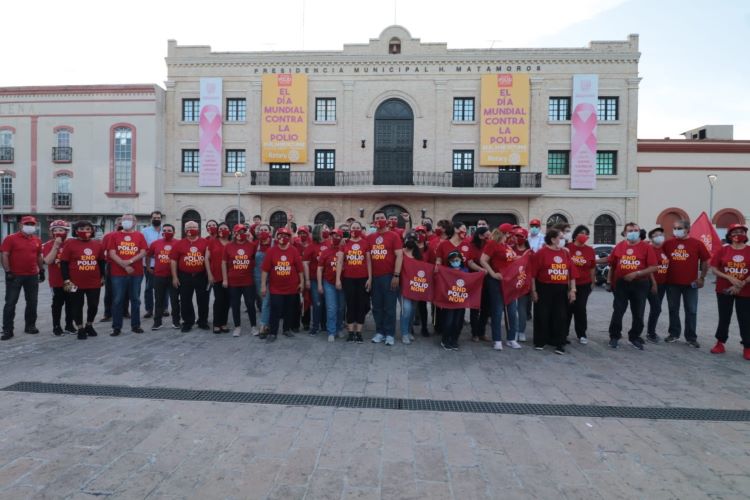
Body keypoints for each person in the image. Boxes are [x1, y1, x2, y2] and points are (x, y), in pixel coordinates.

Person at [606, 222, 658, 350]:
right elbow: (612, 263)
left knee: (638, 312)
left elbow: (654, 267)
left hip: (640, 284)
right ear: (624, 233)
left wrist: (637, 273)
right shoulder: (619, 246)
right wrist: (608, 280)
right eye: (630, 230)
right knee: (618, 311)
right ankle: (614, 336)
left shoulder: (646, 247)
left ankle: (634, 337)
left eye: (636, 230)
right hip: (621, 283)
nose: (633, 232)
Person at [663, 219, 711, 348]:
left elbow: (706, 261)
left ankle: (691, 337)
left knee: (691, 310)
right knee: (673, 309)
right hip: (672, 283)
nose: (676, 231)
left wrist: (702, 277)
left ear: (687, 229)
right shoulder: (668, 243)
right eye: (675, 228)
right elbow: (658, 256)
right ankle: (674, 334)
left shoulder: (697, 244)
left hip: (691, 284)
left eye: (679, 228)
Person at [530, 228, 577, 354]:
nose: (563, 240)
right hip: (544, 287)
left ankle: (559, 342)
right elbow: (533, 274)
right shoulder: (541, 253)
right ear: (552, 239)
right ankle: (540, 341)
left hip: (561, 289)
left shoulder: (565, 253)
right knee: (542, 315)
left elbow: (571, 273)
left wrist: (572, 290)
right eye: (560, 237)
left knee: (561, 316)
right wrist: (533, 291)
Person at [709, 223, 750, 360]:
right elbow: (714, 268)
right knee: (724, 317)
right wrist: (729, 278)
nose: (739, 234)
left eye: (742, 231)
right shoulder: (723, 250)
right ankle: (720, 343)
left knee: (745, 319)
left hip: (746, 291)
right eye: (736, 232)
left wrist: (742, 283)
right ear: (730, 236)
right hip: (724, 289)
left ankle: (747, 347)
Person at [60, 220, 105, 339]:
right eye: (81, 229)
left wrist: (103, 277)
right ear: (76, 231)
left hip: (94, 282)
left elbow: (101, 262)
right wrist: (66, 280)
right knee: (76, 305)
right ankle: (80, 328)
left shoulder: (97, 244)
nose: (85, 231)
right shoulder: (70, 244)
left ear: (92, 231)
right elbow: (64, 263)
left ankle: (89, 325)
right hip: (74, 282)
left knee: (94, 305)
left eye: (88, 229)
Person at [1, 215, 44, 340]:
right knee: (10, 303)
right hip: (14, 276)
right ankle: (7, 330)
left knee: (32, 302)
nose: (30, 226)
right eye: (27, 224)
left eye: (32, 224)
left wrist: (41, 270)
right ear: (20, 225)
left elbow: (38, 257)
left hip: (32, 276)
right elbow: (4, 255)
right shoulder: (10, 239)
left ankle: (30, 326)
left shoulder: (37, 240)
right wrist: (8, 271)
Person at [480, 223, 520, 350]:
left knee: (512, 311)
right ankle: (497, 339)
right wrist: (492, 273)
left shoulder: (507, 246)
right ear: (505, 233)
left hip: (509, 281)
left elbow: (511, 259)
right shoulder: (492, 244)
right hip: (496, 281)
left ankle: (511, 338)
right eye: (510, 233)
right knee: (497, 310)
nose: (512, 236)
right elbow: (483, 260)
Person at [106, 213, 148, 336]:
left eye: (129, 219)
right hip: (117, 273)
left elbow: (143, 252)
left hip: (136, 273)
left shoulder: (139, 235)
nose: (126, 221)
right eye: (124, 219)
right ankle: (116, 327)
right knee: (118, 300)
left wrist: (129, 261)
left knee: (135, 299)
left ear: (135, 222)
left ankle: (136, 325)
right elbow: (112, 253)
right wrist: (124, 265)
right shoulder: (114, 235)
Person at [260, 227, 304, 342]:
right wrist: (263, 286)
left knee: (289, 309)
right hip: (276, 288)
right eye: (280, 235)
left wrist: (302, 283)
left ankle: (286, 329)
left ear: (289, 238)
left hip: (292, 287)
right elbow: (265, 270)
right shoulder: (271, 251)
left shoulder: (294, 250)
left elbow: (300, 269)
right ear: (276, 237)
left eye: (286, 236)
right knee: (275, 309)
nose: (282, 238)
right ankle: (273, 332)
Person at [368, 210, 403, 346]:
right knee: (377, 307)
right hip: (375, 278)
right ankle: (380, 332)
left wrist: (396, 275)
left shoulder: (394, 236)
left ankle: (389, 334)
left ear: (386, 220)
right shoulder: (370, 238)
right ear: (374, 221)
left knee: (389, 307)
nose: (380, 220)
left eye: (382, 218)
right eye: (377, 218)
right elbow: (368, 258)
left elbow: (399, 256)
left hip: (389, 276)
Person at [170, 220, 210, 332]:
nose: (191, 229)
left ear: (198, 229)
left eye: (193, 227)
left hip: (201, 276)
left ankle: (202, 321)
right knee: (185, 300)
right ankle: (188, 322)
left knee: (203, 300)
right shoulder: (179, 243)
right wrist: (174, 277)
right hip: (184, 276)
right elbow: (173, 261)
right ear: (184, 229)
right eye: (188, 227)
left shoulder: (205, 243)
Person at [336, 221, 372, 343]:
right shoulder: (344, 243)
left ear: (361, 229)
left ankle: (359, 333)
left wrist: (370, 278)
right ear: (350, 229)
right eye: (353, 227)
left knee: (361, 305)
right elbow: (340, 262)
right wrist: (337, 279)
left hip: (362, 278)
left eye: (357, 227)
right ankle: (351, 333)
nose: (355, 229)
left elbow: (368, 262)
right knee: (350, 305)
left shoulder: (365, 243)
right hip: (348, 279)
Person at [223, 224, 258, 337]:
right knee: (235, 304)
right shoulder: (228, 246)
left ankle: (253, 326)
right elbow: (223, 263)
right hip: (233, 281)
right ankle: (237, 327)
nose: (239, 234)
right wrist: (225, 279)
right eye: (237, 232)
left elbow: (255, 261)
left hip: (248, 281)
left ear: (245, 233)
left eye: (242, 232)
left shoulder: (252, 246)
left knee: (250, 304)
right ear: (234, 233)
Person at [42, 219, 76, 335]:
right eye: (55, 230)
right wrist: (56, 246)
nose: (58, 232)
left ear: (66, 231)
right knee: (57, 304)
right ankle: (56, 326)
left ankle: (69, 325)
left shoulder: (72, 243)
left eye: (61, 230)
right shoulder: (48, 245)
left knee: (71, 303)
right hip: (56, 281)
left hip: (71, 280)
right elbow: (48, 261)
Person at [147, 223, 181, 330]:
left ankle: (176, 322)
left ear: (174, 232)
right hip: (159, 276)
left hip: (173, 277)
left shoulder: (178, 243)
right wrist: (148, 267)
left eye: (169, 231)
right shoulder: (155, 243)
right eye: (165, 230)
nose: (166, 232)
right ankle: (157, 322)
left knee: (175, 300)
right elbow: (148, 255)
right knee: (159, 300)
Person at [567, 225, 596, 344]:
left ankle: (581, 334)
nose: (584, 235)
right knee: (567, 308)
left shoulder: (590, 250)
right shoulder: (567, 248)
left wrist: (593, 281)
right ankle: (563, 333)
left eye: (586, 233)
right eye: (581, 233)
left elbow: (592, 267)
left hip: (584, 284)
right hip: (568, 284)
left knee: (580, 308)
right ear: (575, 235)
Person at [318, 229, 346, 342]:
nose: (335, 238)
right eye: (333, 235)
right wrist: (320, 284)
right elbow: (320, 269)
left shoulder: (345, 250)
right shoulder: (325, 252)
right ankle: (331, 331)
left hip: (343, 283)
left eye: (338, 236)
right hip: (328, 283)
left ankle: (339, 328)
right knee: (331, 308)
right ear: (330, 237)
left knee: (341, 308)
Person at [440, 250, 470, 351]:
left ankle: (454, 339)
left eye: (457, 260)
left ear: (461, 260)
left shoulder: (466, 271)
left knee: (458, 322)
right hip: (449, 301)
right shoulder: (446, 270)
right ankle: (445, 339)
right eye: (453, 260)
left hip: (461, 301)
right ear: (449, 261)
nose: (455, 262)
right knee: (448, 321)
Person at [467, 226, 491, 342]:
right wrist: (480, 269)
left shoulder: (489, 244)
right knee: (475, 307)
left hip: (488, 279)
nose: (489, 236)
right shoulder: (471, 246)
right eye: (487, 234)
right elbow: (470, 262)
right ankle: (474, 333)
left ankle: (482, 332)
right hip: (475, 278)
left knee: (486, 307)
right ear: (480, 235)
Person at [100, 217, 127, 322]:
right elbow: (103, 252)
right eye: (119, 223)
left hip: (126, 266)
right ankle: (108, 313)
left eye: (123, 223)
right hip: (111, 265)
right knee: (109, 291)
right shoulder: (108, 236)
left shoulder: (130, 236)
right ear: (116, 225)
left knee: (126, 290)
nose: (121, 225)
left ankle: (125, 311)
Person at [206, 222, 231, 333]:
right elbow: (206, 259)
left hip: (230, 277)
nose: (223, 230)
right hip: (216, 275)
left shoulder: (231, 243)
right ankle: (217, 324)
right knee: (219, 300)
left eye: (225, 228)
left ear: (229, 231)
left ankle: (224, 323)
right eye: (221, 228)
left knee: (227, 301)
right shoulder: (212, 242)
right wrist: (210, 274)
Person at [399, 232, 424, 345]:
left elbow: (423, 270)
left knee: (413, 310)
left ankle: (409, 331)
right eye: (409, 239)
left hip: (415, 286)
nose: (411, 241)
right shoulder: (401, 253)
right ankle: (404, 333)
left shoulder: (419, 255)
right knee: (406, 310)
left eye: (414, 239)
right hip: (403, 286)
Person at [645, 227, 669, 343]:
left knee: (656, 309)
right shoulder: (650, 249)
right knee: (656, 308)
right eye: (655, 235)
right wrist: (653, 283)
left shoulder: (664, 249)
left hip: (662, 284)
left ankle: (651, 331)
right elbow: (649, 267)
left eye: (661, 234)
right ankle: (650, 333)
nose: (659, 236)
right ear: (651, 238)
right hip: (651, 283)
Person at [510, 227, 532, 342]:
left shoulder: (530, 252)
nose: (518, 239)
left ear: (525, 238)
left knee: (522, 309)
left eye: (521, 237)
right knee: (512, 309)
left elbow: (532, 269)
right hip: (512, 283)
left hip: (524, 283)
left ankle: (521, 331)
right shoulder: (510, 249)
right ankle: (513, 330)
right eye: (516, 236)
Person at [302, 225, 325, 336]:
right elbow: (305, 263)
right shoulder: (311, 247)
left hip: (328, 279)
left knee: (326, 303)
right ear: (318, 232)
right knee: (317, 303)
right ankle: (315, 326)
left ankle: (324, 325)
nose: (325, 231)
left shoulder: (330, 244)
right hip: (315, 279)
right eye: (323, 230)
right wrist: (307, 280)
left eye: (326, 229)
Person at [141, 211, 164, 319]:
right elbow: (144, 248)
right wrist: (148, 265)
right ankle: (149, 309)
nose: (156, 219)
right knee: (149, 287)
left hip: (163, 263)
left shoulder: (165, 230)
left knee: (164, 287)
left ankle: (164, 308)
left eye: (158, 217)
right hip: (149, 264)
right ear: (151, 219)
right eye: (154, 217)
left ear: (161, 218)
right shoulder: (145, 231)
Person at [253, 223, 274, 335]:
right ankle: (268, 322)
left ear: (270, 232)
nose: (263, 232)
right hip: (258, 276)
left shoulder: (275, 243)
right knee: (263, 301)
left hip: (273, 276)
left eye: (265, 229)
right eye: (261, 230)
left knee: (266, 301)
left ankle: (263, 325)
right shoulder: (255, 245)